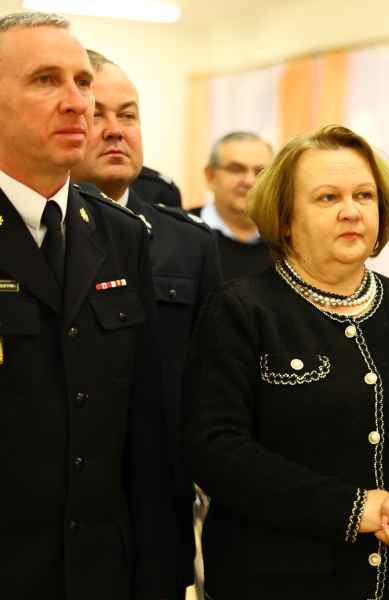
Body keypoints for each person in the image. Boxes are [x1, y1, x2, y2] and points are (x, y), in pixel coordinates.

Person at [183, 124, 389, 600]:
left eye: (364, 196)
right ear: (285, 218)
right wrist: (351, 509)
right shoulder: (240, 310)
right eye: (328, 198)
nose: (351, 211)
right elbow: (216, 451)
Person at [0, 12, 167, 600]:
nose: (78, 103)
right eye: (45, 80)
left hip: (99, 572)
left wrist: (157, 576)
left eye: (83, 82)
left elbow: (146, 430)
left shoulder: (122, 234)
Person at [69, 48, 223, 600]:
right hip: (68, 507)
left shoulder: (188, 242)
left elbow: (213, 379)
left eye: (128, 115)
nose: (115, 130)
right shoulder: (40, 233)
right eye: (98, 114)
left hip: (158, 506)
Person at [201, 130, 274, 280]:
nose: (249, 181)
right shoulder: (182, 233)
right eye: (236, 169)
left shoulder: (288, 239)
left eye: (260, 172)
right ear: (210, 176)